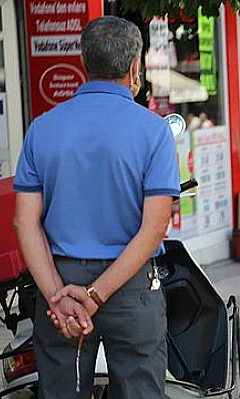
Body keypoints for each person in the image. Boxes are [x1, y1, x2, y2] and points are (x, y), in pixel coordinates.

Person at [13, 16, 180, 398]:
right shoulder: (153, 131)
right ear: (135, 67)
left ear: (85, 62)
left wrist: (59, 295)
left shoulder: (43, 127)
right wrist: (95, 296)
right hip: (132, 285)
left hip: (59, 282)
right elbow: (154, 228)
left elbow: (26, 223)